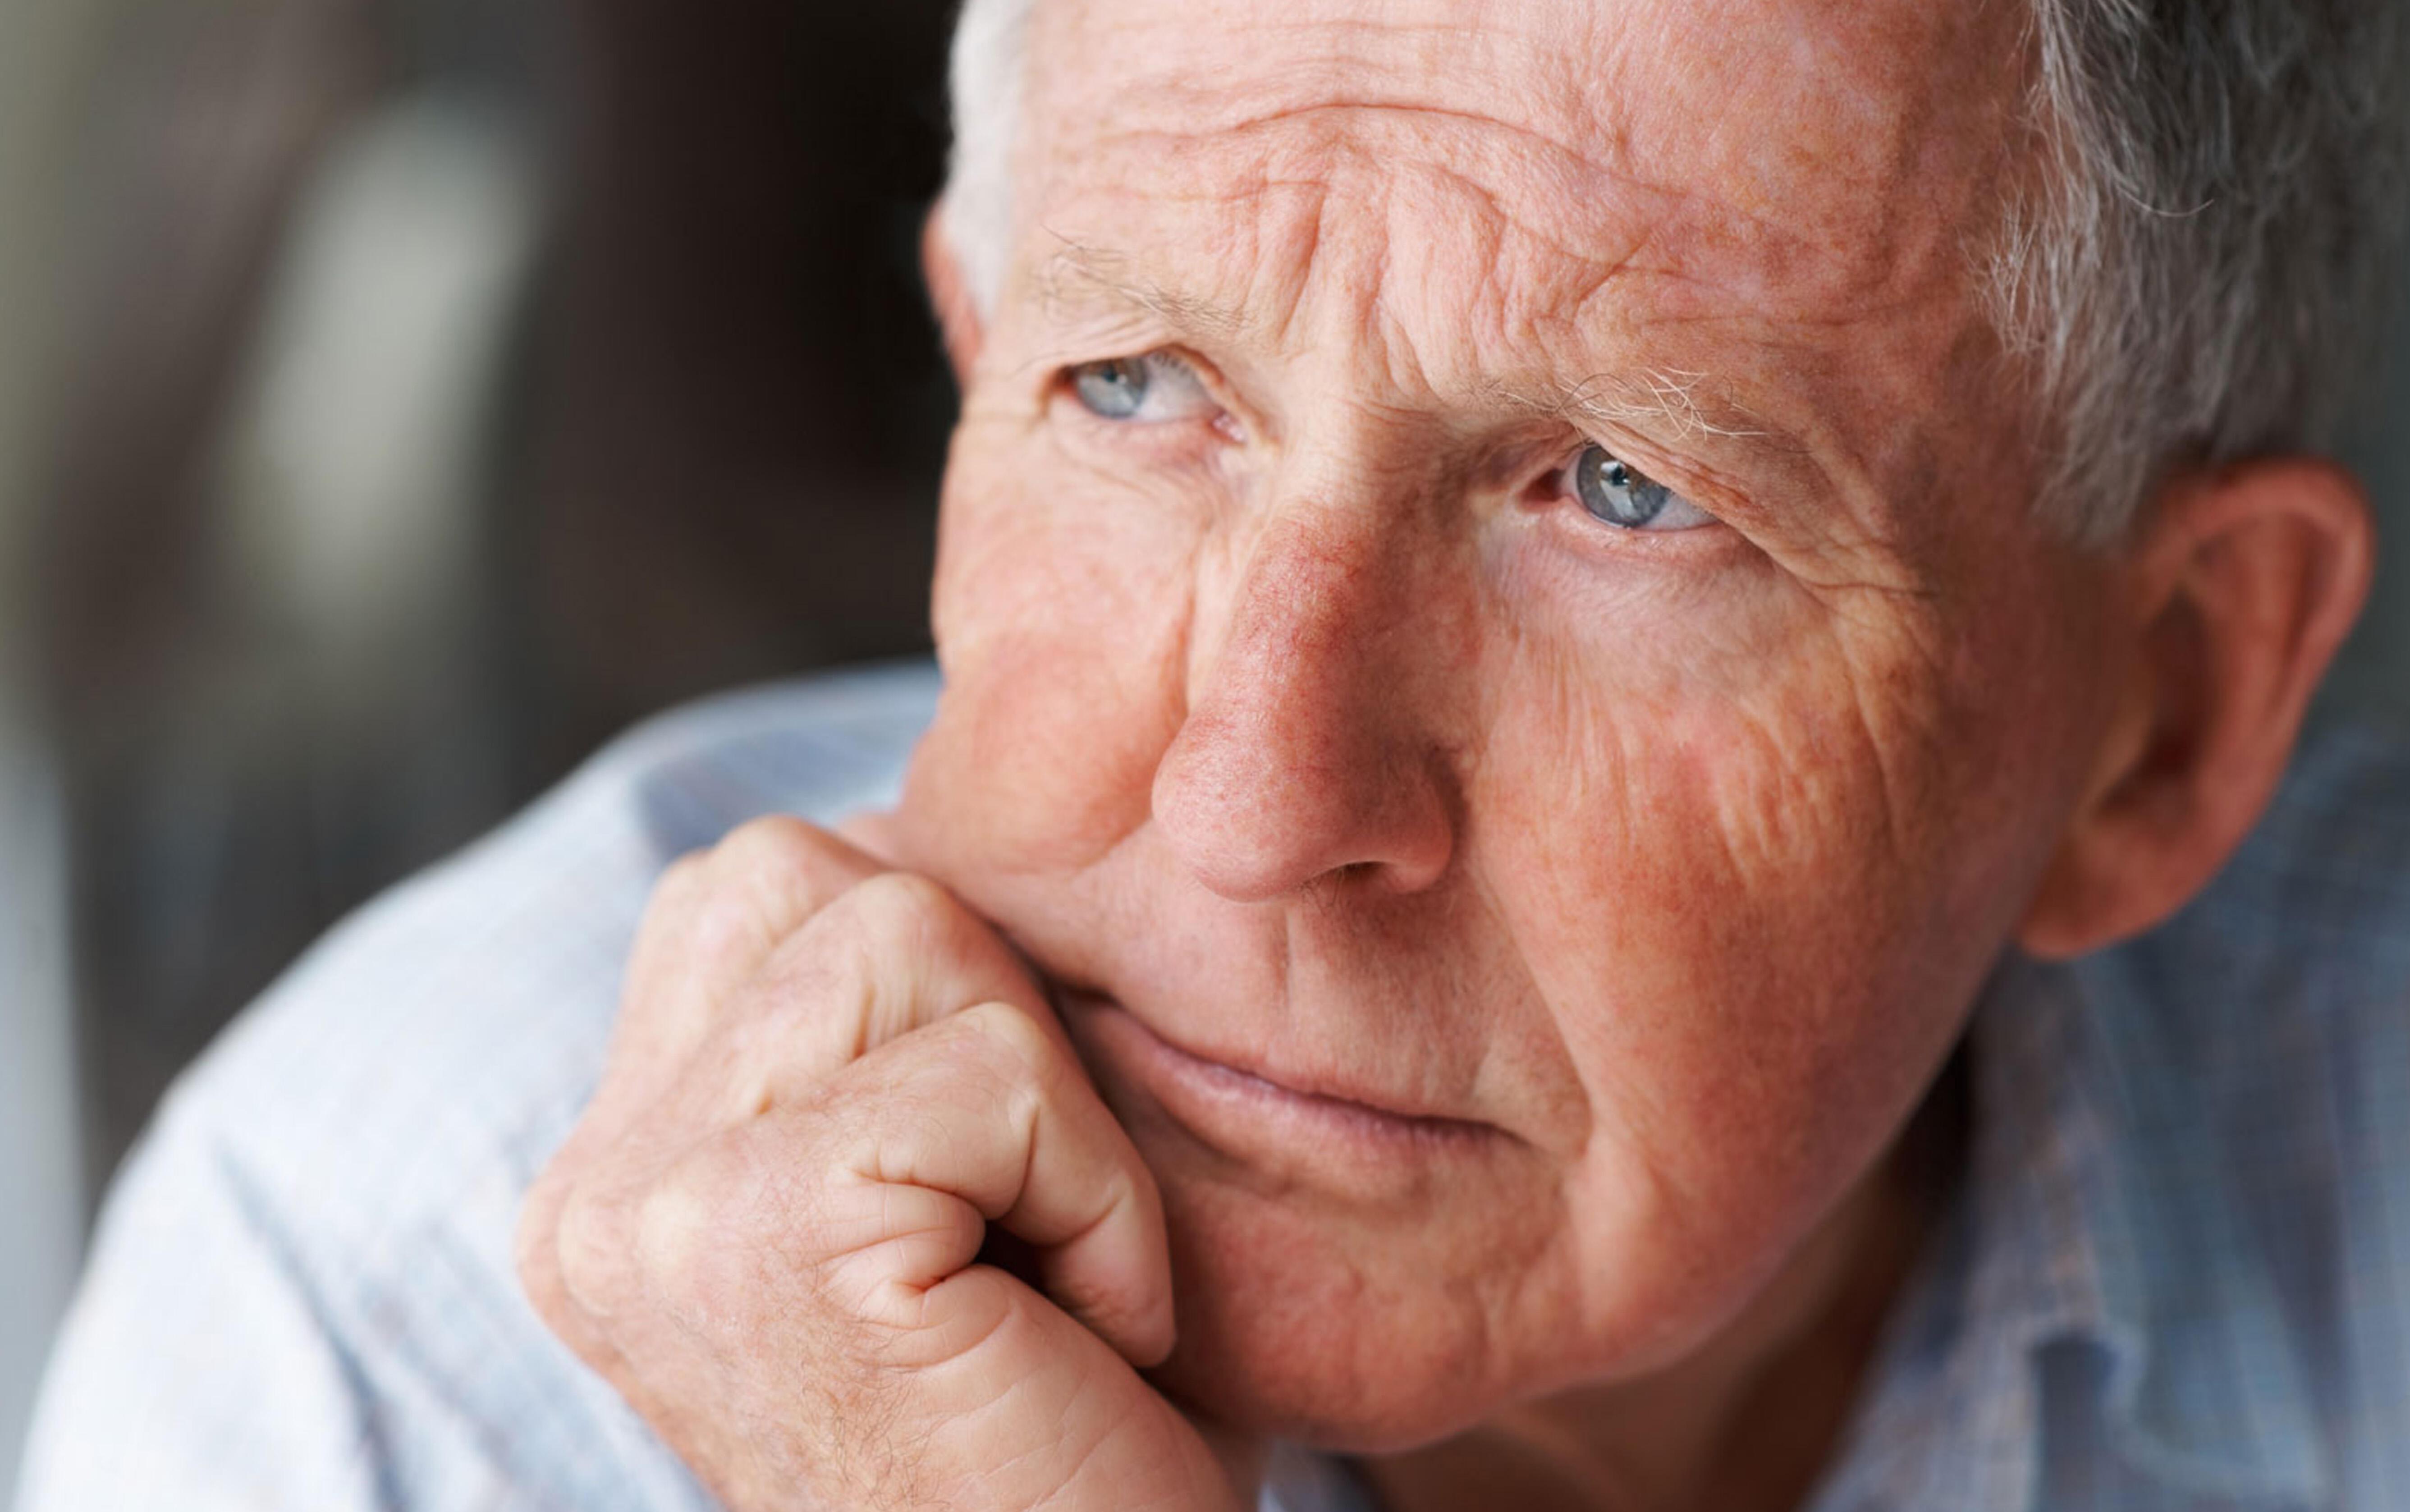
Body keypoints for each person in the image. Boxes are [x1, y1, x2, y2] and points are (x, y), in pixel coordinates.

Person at [18, 0, 2410, 1507]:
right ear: (970, 381)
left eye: (1625, 493)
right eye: (1135, 391)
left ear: (2161, 717)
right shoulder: (394, 1326)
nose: (1258, 806)